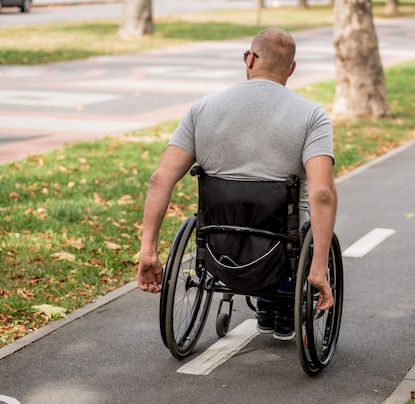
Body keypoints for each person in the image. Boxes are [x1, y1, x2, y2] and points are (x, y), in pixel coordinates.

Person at [136, 28, 337, 341]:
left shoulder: (202, 109)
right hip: (280, 247)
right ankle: (277, 306)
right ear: (292, 68)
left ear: (250, 58)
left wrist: (148, 251)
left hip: (217, 243)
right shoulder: (312, 116)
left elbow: (159, 179)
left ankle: (269, 305)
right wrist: (319, 269)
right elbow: (323, 193)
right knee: (305, 212)